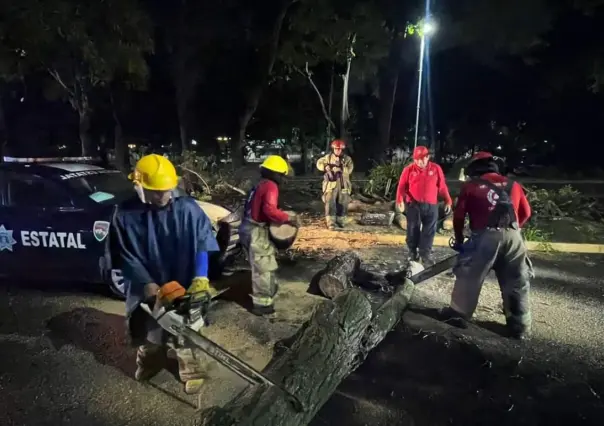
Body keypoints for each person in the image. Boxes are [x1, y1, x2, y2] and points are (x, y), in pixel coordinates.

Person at [113, 154, 220, 394]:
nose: (164, 196)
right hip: (146, 282)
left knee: (186, 331)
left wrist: (201, 277)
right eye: (156, 191)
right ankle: (150, 361)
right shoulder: (125, 214)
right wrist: (147, 284)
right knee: (150, 330)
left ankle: (191, 369)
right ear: (139, 187)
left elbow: (203, 241)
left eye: (167, 190)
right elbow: (125, 254)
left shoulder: (188, 209)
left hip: (182, 278)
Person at [442, 151, 533, 339]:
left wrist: (460, 241)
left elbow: (459, 217)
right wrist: (512, 231)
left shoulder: (471, 186)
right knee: (516, 280)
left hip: (485, 238)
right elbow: (526, 213)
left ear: (474, 167)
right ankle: (519, 325)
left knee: (469, 275)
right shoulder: (514, 185)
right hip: (514, 237)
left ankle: (458, 314)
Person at [239, 155, 299, 317]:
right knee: (263, 267)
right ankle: (262, 304)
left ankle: (269, 290)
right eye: (282, 175)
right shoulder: (271, 186)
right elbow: (269, 210)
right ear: (276, 173)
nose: (283, 179)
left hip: (247, 226)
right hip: (256, 229)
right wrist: (288, 218)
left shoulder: (259, 184)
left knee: (261, 263)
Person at [396, 146, 452, 265]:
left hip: (431, 205)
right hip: (414, 205)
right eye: (416, 159)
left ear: (427, 157)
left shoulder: (436, 169)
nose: (418, 162)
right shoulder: (409, 170)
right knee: (412, 228)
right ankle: (412, 252)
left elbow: (442, 186)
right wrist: (399, 200)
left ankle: (425, 254)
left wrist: (448, 200)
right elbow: (401, 186)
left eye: (421, 159)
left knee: (429, 230)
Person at [316, 139, 354, 229]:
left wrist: (341, 169)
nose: (338, 150)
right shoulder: (328, 157)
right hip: (330, 185)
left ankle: (341, 220)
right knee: (330, 202)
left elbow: (350, 170)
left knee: (343, 202)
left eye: (340, 149)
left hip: (343, 184)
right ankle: (331, 222)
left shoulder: (347, 159)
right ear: (333, 149)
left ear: (342, 149)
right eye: (336, 149)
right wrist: (325, 167)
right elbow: (319, 163)